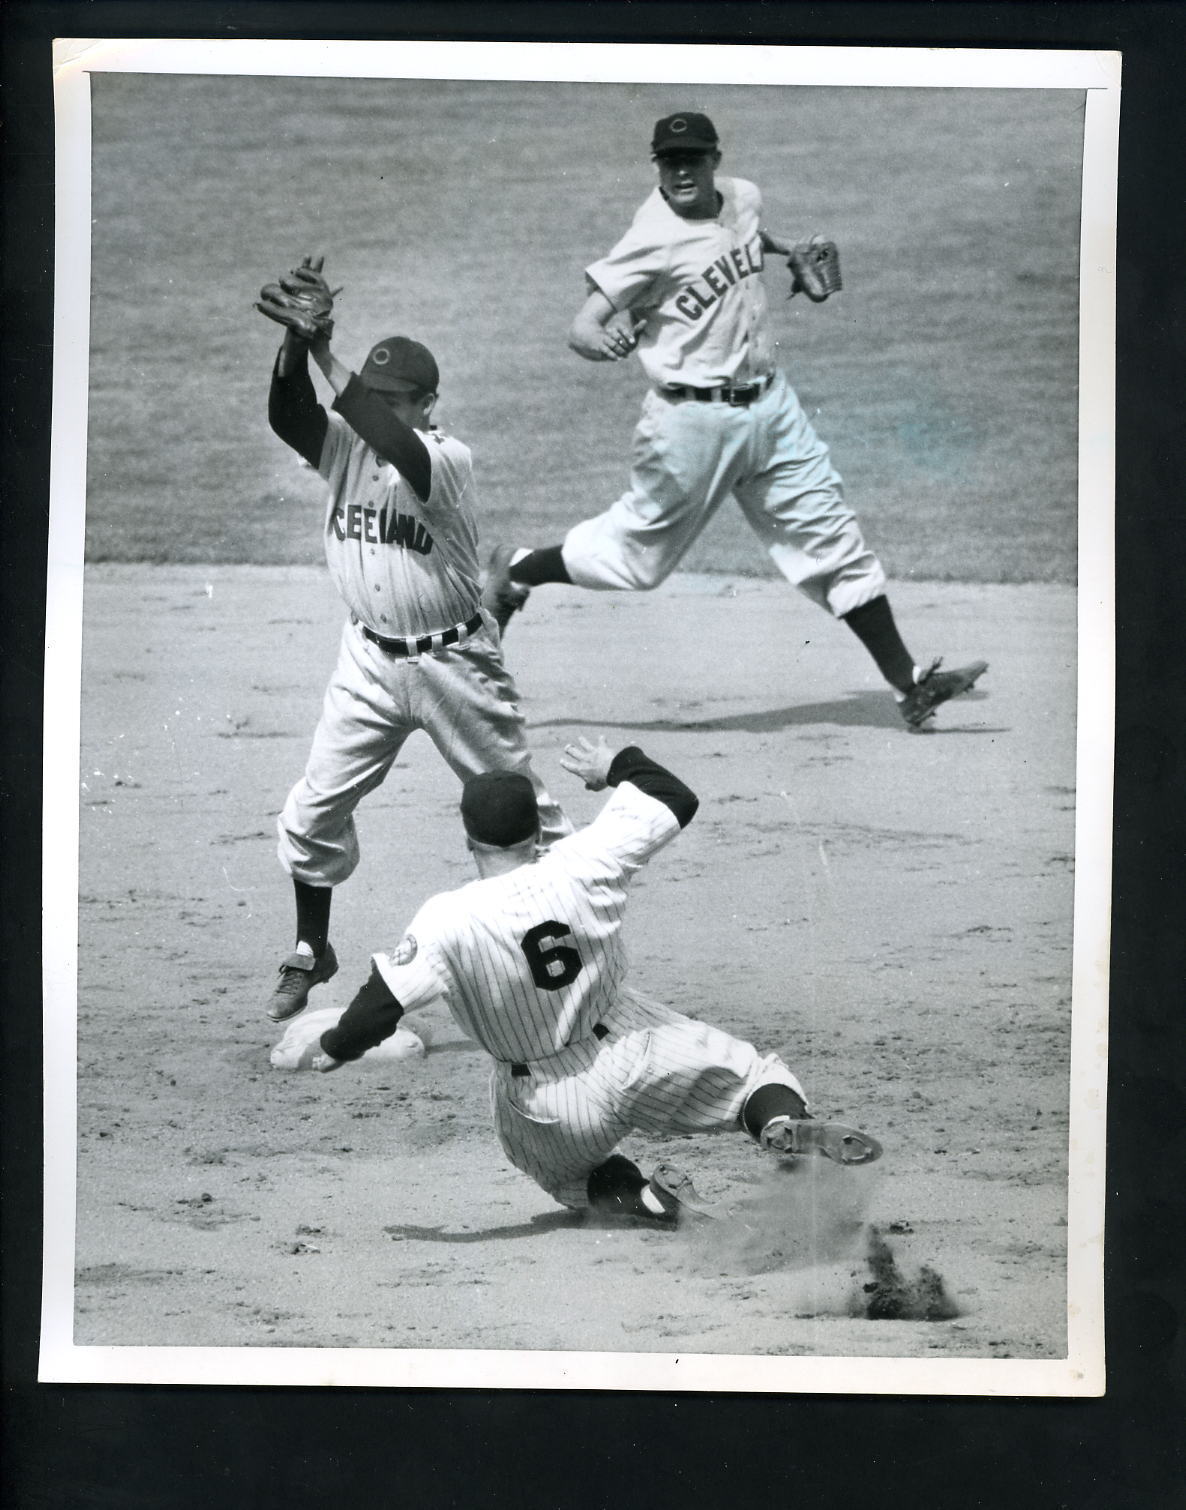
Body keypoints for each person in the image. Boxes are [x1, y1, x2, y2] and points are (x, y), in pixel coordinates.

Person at [484, 111, 987, 731]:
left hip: (774, 409)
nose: (682, 171)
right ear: (657, 169)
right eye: (670, 163)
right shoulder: (652, 236)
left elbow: (746, 236)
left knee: (830, 537)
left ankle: (909, 684)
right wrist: (603, 342)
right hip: (689, 424)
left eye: (693, 159)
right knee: (639, 562)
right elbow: (582, 326)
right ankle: (517, 571)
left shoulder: (743, 197)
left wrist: (788, 249)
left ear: (715, 159)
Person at [304, 735, 881, 1225]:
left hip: (545, 1101)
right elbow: (674, 796)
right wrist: (615, 765)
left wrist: (335, 1047)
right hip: (635, 1046)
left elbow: (379, 1007)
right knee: (754, 1078)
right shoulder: (583, 861)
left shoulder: (446, 918)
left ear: (469, 839)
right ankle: (782, 1124)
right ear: (537, 830)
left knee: (570, 1178)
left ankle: (650, 1199)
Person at [258, 257, 569, 1024]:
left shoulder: (444, 459)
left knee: (522, 813)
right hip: (366, 662)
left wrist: (330, 351)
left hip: (456, 664)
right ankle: (310, 949)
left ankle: (568, 954)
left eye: (403, 399)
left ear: (430, 403)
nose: (389, 408)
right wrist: (297, 346)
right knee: (310, 813)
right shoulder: (343, 447)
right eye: (380, 392)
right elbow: (288, 415)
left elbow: (392, 440)